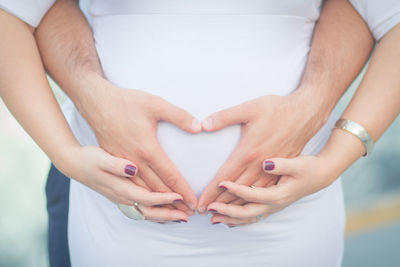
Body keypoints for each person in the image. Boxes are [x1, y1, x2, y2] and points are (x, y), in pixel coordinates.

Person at [35, 0, 373, 266]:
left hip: (293, 230)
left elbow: (376, 9)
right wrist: (69, 150)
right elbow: (19, 12)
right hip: (105, 220)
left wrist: (325, 132)